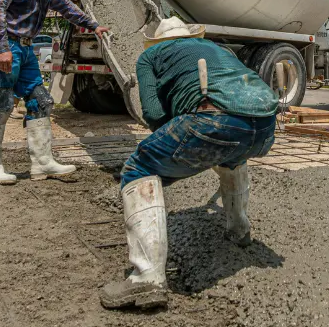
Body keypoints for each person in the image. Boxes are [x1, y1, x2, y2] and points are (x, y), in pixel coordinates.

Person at [99, 17, 280, 310]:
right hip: (265, 128)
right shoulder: (218, 48)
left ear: (158, 41)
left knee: (138, 168)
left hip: (212, 120)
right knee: (232, 160)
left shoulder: (150, 56)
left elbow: (152, 111)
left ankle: (146, 278)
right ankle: (239, 231)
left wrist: (175, 139)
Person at [0, 0, 108, 185]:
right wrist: (2, 47)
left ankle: (42, 163)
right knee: (2, 101)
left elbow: (64, 5)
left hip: (27, 48)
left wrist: (93, 25)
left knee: (41, 100)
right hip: (6, 44)